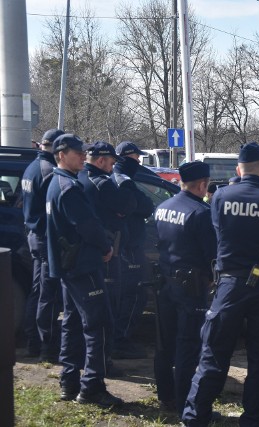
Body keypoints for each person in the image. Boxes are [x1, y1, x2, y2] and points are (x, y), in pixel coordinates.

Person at [182, 142, 259, 427]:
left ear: (238, 170)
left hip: (229, 286)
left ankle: (196, 417)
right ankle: (253, 420)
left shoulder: (220, 197)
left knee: (213, 354)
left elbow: (219, 232)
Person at [46, 134, 123, 407]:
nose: (82, 156)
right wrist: (105, 246)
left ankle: (69, 381)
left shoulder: (57, 183)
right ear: (61, 154)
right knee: (99, 325)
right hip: (83, 266)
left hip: (71, 267)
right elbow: (87, 226)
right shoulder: (68, 188)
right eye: (77, 152)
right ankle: (92, 387)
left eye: (83, 152)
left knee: (73, 324)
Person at [154, 161, 217, 415]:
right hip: (191, 288)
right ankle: (184, 403)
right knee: (188, 346)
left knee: (164, 343)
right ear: (202, 184)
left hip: (164, 282)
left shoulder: (163, 207)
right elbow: (212, 255)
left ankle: (166, 396)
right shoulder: (200, 213)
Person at [78, 142, 137, 365]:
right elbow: (129, 204)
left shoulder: (81, 178)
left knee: (87, 312)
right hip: (107, 251)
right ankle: (104, 360)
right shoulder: (102, 183)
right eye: (112, 163)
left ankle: (92, 358)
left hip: (91, 251)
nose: (113, 168)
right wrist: (126, 188)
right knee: (108, 306)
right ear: (101, 161)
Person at [21, 128, 64, 362]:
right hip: (45, 238)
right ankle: (46, 346)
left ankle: (32, 341)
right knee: (48, 294)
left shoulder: (32, 167)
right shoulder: (49, 172)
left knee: (37, 291)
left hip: (33, 235)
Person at [111, 141, 155, 359]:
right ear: (126, 157)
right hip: (128, 246)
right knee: (134, 294)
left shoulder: (116, 176)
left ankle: (119, 338)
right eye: (136, 158)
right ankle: (120, 340)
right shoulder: (122, 180)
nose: (138, 161)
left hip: (125, 245)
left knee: (126, 295)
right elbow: (145, 206)